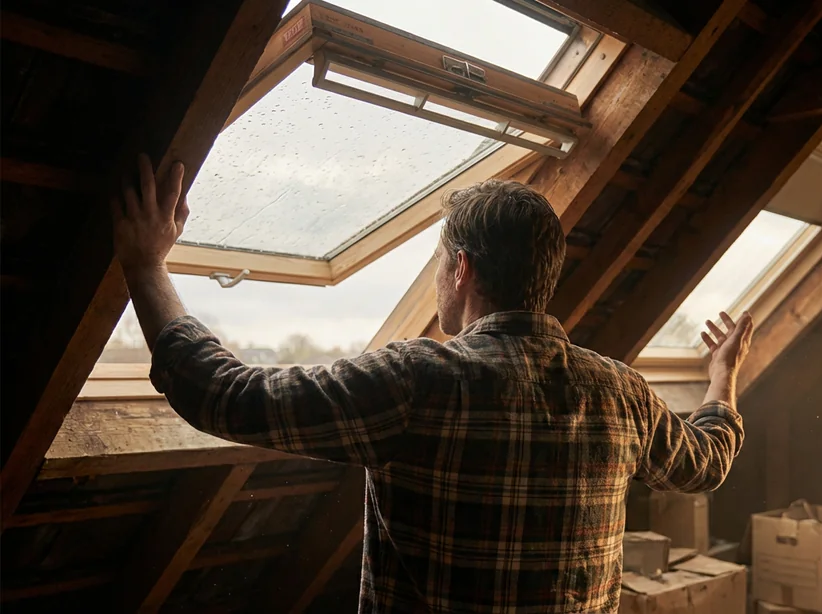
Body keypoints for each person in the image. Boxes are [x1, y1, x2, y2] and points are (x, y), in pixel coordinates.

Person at [113, 154, 753, 613]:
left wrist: (145, 266)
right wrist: (721, 378)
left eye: (439, 262)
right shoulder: (619, 393)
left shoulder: (417, 381)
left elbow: (224, 394)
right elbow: (708, 462)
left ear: (463, 269)